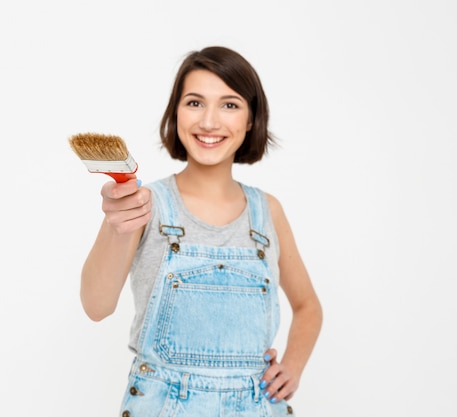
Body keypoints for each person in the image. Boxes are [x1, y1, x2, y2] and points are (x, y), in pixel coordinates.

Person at [79, 46, 323, 416]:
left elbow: (308, 306)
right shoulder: (147, 204)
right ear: (175, 112)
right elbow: (96, 306)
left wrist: (293, 365)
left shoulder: (267, 211)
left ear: (252, 119)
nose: (209, 122)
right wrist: (115, 226)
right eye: (194, 103)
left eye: (229, 104)